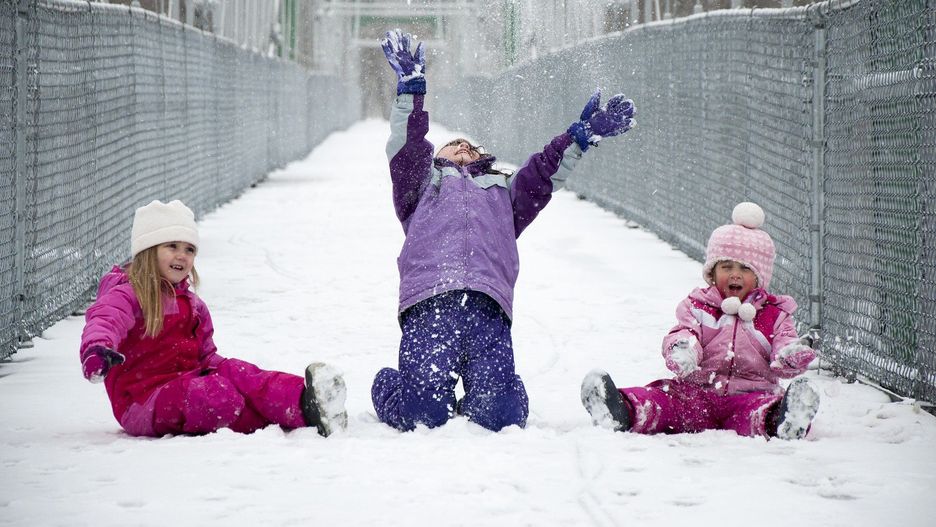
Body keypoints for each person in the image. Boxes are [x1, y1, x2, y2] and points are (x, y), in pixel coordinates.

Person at [371, 29, 636, 432]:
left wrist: (577, 139)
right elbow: (407, 144)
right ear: (435, 158)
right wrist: (411, 90)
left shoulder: (503, 193)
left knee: (501, 417)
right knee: (422, 414)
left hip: (487, 306)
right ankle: (391, 386)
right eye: (453, 146)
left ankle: (497, 394)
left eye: (472, 148)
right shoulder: (419, 187)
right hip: (430, 304)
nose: (464, 149)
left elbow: (544, 173)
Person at [79, 199, 347, 438]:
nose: (182, 256)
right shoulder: (128, 293)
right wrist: (97, 351)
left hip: (187, 381)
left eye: (189, 250)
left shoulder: (193, 305)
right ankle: (274, 418)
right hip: (143, 401)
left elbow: (205, 356)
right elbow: (105, 320)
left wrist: (234, 374)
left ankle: (306, 402)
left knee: (242, 374)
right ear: (148, 251)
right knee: (216, 394)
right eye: (172, 246)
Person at [581, 202, 820, 440]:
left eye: (745, 269)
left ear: (759, 278)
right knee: (664, 401)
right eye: (726, 266)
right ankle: (621, 410)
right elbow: (685, 331)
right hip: (696, 394)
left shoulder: (774, 314)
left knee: (757, 413)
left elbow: (783, 345)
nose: (735, 274)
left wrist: (791, 355)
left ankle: (784, 419)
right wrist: (682, 349)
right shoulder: (698, 306)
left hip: (749, 394)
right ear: (713, 273)